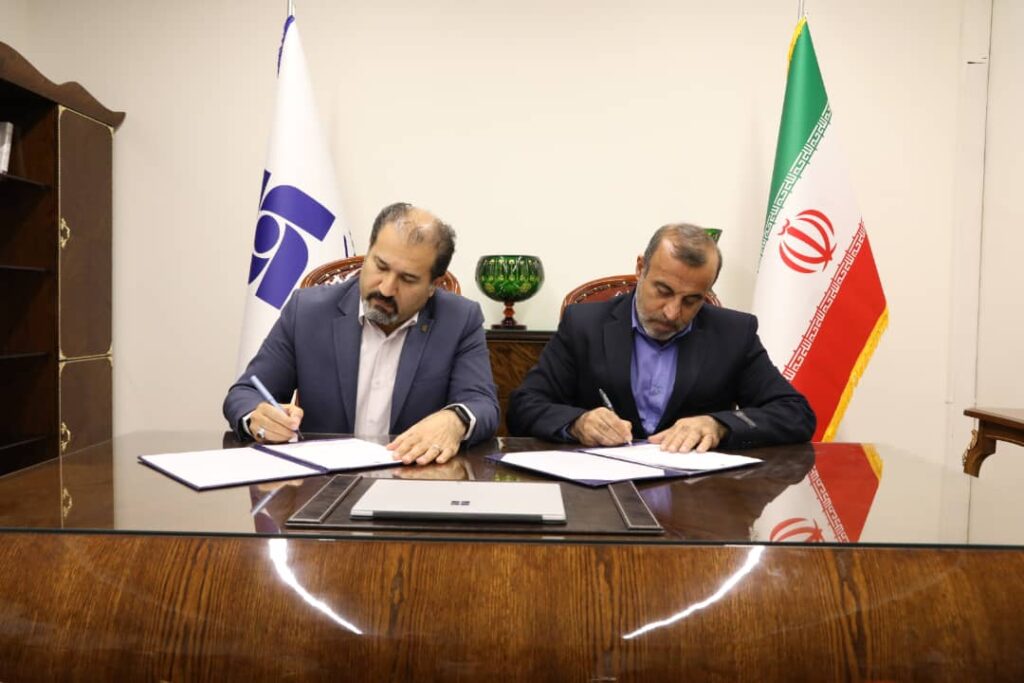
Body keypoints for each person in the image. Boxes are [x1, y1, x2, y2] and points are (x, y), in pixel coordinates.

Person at [224, 202, 499, 465]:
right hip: (321, 482)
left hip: (411, 478)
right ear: (368, 254)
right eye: (380, 266)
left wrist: (455, 420)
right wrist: (258, 418)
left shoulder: (459, 319)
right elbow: (245, 393)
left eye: (407, 279)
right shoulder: (307, 312)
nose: (386, 288)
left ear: (433, 286)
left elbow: (482, 404)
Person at [506, 223, 815, 452]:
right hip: (600, 496)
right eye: (663, 291)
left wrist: (719, 424)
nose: (672, 312)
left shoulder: (733, 333)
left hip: (699, 497)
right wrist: (578, 423)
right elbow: (524, 407)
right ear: (640, 268)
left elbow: (795, 414)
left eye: (692, 300)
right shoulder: (584, 324)